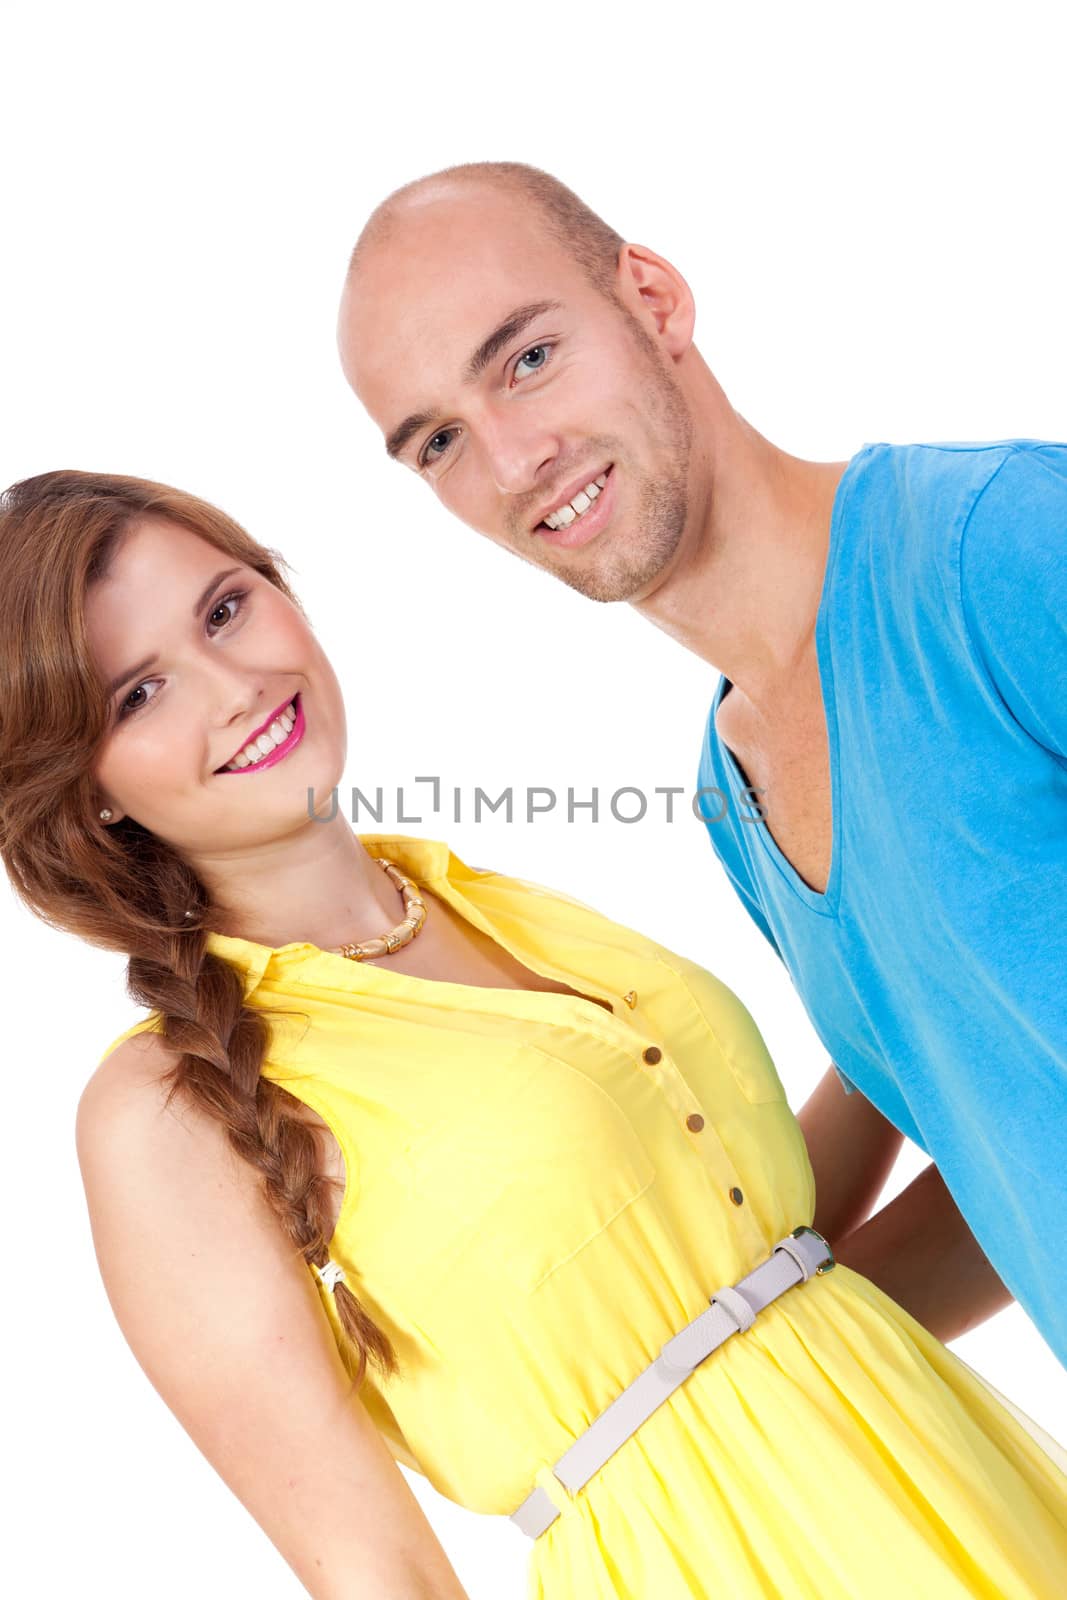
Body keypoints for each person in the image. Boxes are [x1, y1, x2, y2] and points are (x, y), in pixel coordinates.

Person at [3, 469, 1066, 1600]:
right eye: (139, 693)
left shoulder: (491, 900)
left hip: (941, 1487)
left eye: (224, 608)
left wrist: (921, 972)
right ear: (89, 786)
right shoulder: (161, 1110)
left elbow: (765, 1268)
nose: (232, 685)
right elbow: (377, 1571)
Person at [337, 160, 1067, 1369]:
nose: (514, 458)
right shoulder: (731, 797)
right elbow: (1002, 1150)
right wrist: (679, 1391)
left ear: (653, 301)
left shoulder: (991, 548)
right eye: (439, 441)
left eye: (526, 358)